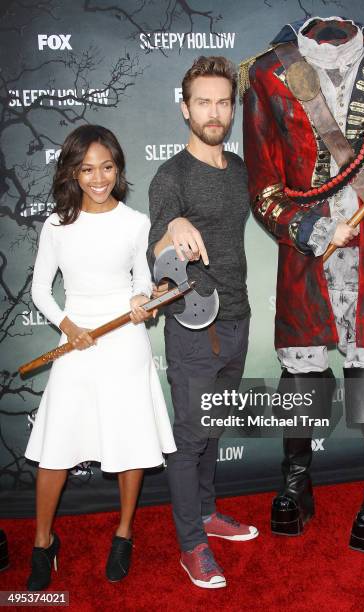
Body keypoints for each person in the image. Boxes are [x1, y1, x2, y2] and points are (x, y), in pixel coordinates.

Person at [241, 16, 364, 552]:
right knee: (301, 372)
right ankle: (296, 487)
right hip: (305, 253)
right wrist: (314, 229)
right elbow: (264, 184)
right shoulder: (270, 74)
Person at [25, 125, 176, 590]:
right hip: (78, 340)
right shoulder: (56, 225)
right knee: (55, 449)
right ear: (72, 171)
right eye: (87, 168)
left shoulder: (134, 222)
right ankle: (42, 541)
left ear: (118, 169)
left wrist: (140, 301)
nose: (98, 177)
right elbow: (39, 290)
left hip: (124, 342)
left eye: (107, 167)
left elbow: (140, 283)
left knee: (129, 438)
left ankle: (124, 532)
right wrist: (70, 329)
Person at [145, 56, 258, 589]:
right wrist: (175, 225)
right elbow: (157, 252)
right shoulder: (171, 176)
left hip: (239, 319)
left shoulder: (238, 170)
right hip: (194, 331)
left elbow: (284, 205)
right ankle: (192, 545)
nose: (214, 112)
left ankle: (209, 513)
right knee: (191, 439)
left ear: (231, 109)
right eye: (203, 102)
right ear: (184, 108)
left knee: (211, 433)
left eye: (222, 101)